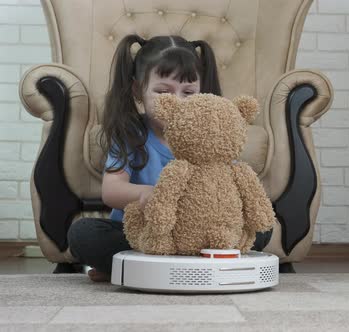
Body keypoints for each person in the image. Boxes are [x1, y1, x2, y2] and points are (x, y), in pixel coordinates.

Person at [67, 35, 271, 282]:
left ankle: (134, 268)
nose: (177, 101)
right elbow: (112, 191)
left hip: (205, 233)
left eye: (188, 92)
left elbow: (231, 185)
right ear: (137, 90)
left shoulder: (213, 136)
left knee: (261, 231)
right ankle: (190, 267)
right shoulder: (131, 134)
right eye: (163, 91)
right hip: (147, 233)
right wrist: (149, 195)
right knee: (83, 234)